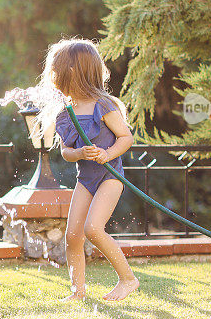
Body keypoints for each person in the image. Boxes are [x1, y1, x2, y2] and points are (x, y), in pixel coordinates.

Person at [37, 39, 139, 301]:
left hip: (109, 177)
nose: (54, 76)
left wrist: (107, 153)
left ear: (74, 72)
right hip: (86, 179)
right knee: (72, 235)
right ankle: (77, 292)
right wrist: (80, 153)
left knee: (93, 228)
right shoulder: (65, 112)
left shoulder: (104, 106)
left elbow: (125, 138)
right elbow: (66, 152)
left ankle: (128, 280)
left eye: (58, 70)